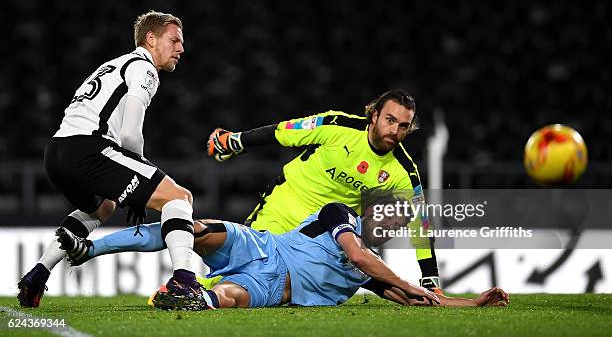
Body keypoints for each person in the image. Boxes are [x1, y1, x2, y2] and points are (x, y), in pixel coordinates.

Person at [18, 11, 208, 309]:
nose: (181, 48)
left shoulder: (113, 65)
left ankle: (37, 275)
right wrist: (141, 185)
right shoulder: (144, 69)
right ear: (151, 39)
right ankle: (185, 279)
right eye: (174, 40)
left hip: (56, 152)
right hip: (88, 149)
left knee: (101, 207)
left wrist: (134, 185)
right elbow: (131, 135)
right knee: (178, 197)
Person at [55, 202, 509, 310]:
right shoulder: (341, 216)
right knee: (194, 229)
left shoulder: (367, 273)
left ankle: (194, 298)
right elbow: (363, 258)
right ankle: (89, 247)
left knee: (227, 299)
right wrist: (410, 283)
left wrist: (467, 303)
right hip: (258, 245)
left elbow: (411, 298)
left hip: (276, 286)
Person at [206, 89, 442, 293]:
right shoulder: (337, 125)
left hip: (324, 234)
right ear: (374, 115)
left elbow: (420, 226)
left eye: (403, 126)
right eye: (389, 120)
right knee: (242, 259)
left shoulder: (403, 170)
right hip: (283, 207)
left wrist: (431, 280)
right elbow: (284, 132)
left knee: (278, 285)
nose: (395, 130)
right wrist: (235, 141)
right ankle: (194, 289)